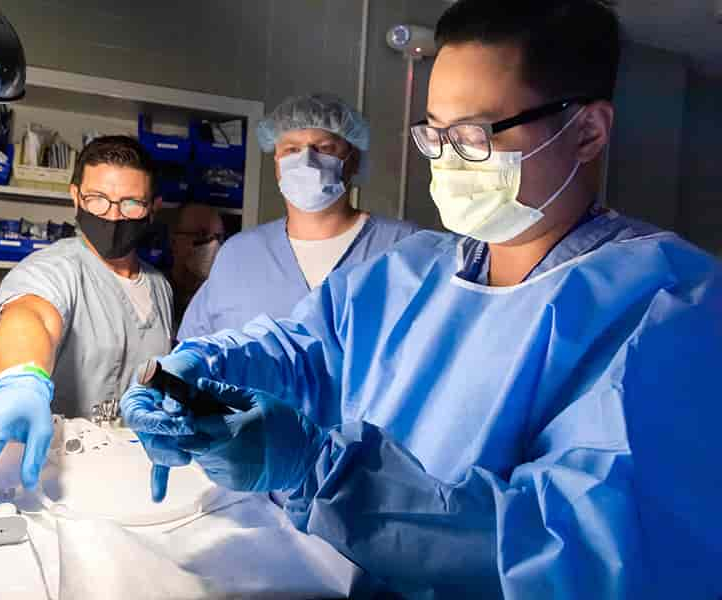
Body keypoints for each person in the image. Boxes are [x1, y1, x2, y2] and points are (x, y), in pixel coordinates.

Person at [122, 1, 722, 598]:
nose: (444, 158)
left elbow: (579, 551)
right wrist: (198, 373)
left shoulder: (671, 305)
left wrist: (317, 470)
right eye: (434, 132)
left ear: (587, 131)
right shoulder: (416, 271)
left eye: (472, 134)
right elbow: (304, 352)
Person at [0, 136, 173, 506]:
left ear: (153, 208)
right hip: (55, 485)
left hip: (131, 478)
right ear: (75, 196)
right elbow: (30, 313)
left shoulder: (159, 286)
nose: (113, 216)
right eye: (97, 199)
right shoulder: (55, 268)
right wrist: (23, 379)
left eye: (131, 203)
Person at [176, 94, 418, 339]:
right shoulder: (238, 255)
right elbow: (195, 349)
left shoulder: (405, 246)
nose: (306, 160)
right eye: (292, 149)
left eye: (324, 148)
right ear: (277, 162)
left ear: (353, 160)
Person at [167, 203, 225, 326]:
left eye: (218, 237)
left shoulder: (223, 297)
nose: (213, 245)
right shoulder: (159, 292)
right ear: (173, 241)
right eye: (201, 234)